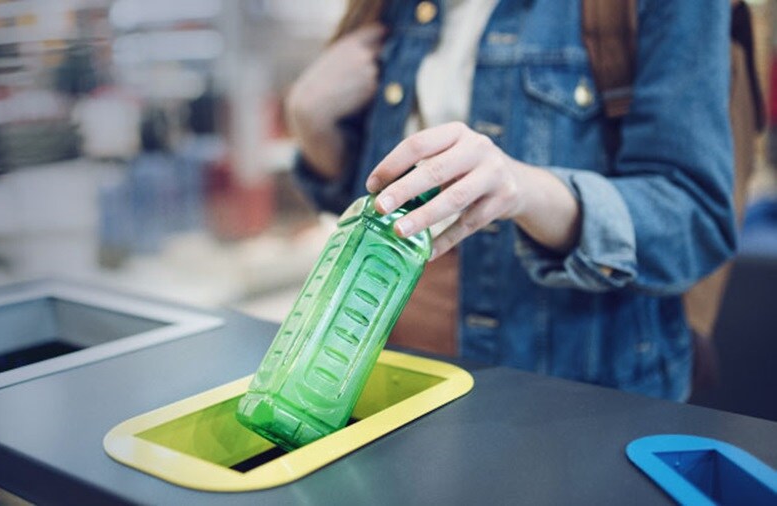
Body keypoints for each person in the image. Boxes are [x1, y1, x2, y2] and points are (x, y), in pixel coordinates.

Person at [286, 0, 735, 401]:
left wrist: (524, 189)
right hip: (383, 382)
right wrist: (311, 123)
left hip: (563, 405)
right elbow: (369, 206)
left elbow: (696, 222)